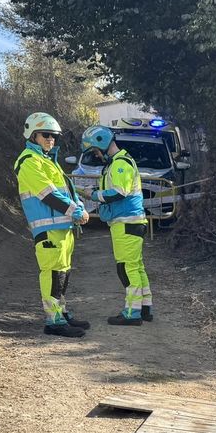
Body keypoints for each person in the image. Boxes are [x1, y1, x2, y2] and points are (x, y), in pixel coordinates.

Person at [14, 112, 90, 338]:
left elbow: (66, 191)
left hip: (63, 227)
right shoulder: (29, 161)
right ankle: (54, 321)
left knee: (63, 273)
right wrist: (76, 211)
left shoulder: (48, 160)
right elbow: (47, 194)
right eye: (46, 135)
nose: (51, 139)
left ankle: (61, 314)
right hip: (48, 229)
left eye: (54, 136)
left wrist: (78, 206)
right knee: (53, 273)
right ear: (33, 135)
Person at [79, 125, 153, 326]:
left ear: (102, 143)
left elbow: (118, 192)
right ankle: (145, 308)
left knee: (126, 268)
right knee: (136, 267)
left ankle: (132, 313)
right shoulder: (120, 162)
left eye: (95, 150)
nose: (96, 155)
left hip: (126, 222)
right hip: (131, 222)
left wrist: (92, 195)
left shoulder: (120, 164)